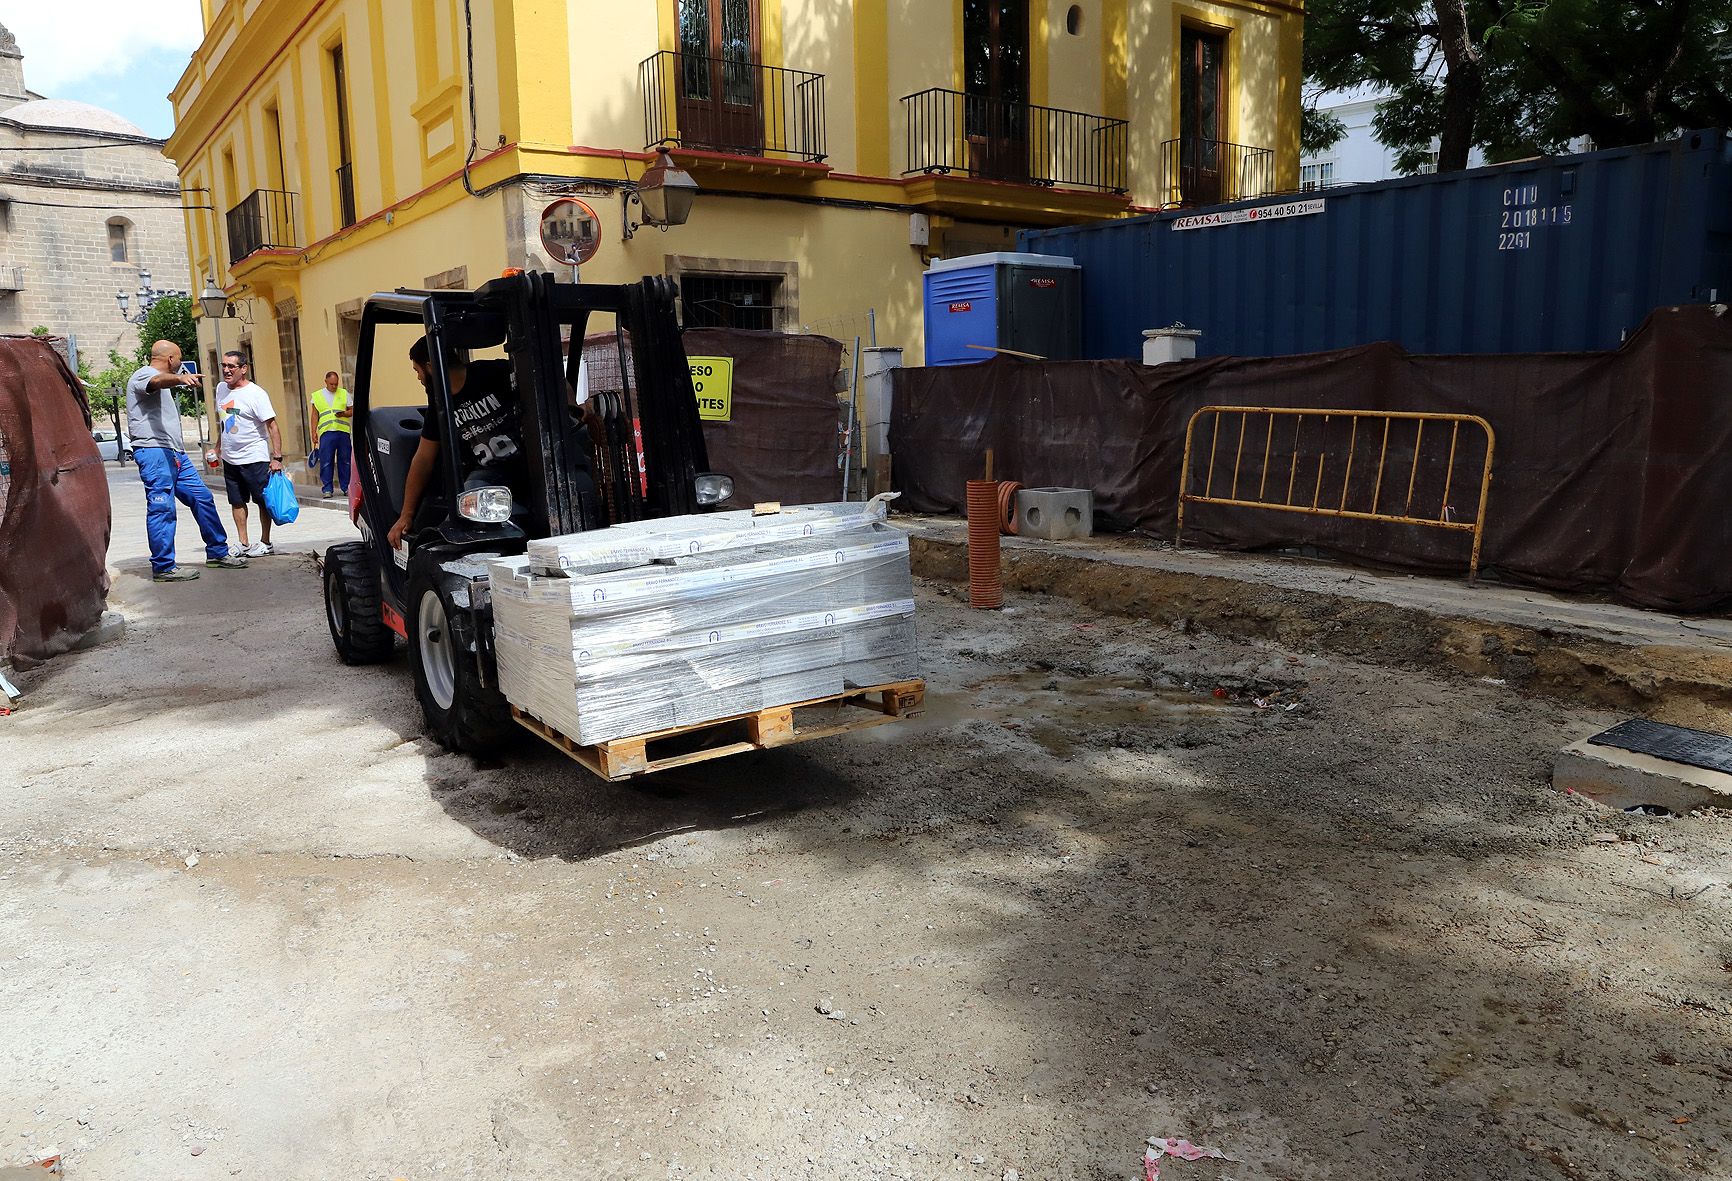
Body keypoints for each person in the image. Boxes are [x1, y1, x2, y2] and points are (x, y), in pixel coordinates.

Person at [125, 340, 249, 582]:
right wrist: (180, 379)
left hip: (175, 453)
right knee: (162, 507)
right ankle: (163, 567)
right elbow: (156, 381)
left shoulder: (160, 381)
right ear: (171, 359)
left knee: (202, 498)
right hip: (154, 452)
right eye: (179, 358)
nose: (180, 363)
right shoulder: (144, 375)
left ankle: (217, 553)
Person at [387, 337, 524, 549]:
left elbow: (550, 381)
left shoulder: (495, 373)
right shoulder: (439, 403)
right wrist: (406, 514)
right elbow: (423, 458)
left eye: (417, 370)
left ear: (430, 367)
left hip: (528, 462)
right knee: (467, 503)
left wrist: (573, 410)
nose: (418, 378)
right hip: (490, 473)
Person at [215, 350, 286, 557]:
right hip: (230, 458)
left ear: (244, 369)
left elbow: (272, 426)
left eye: (231, 366)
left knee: (262, 501)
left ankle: (266, 542)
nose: (226, 370)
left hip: (254, 457)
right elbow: (225, 422)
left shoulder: (256, 394)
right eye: (224, 366)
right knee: (236, 501)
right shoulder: (221, 389)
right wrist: (218, 448)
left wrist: (277, 458)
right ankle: (243, 542)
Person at [310, 369, 352, 498]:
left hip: (343, 432)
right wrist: (313, 432)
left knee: (345, 460)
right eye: (331, 384)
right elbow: (314, 415)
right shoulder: (317, 396)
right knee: (326, 461)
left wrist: (343, 413)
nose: (334, 386)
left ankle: (346, 487)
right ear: (326, 382)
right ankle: (327, 489)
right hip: (326, 432)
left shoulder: (344, 393)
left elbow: (351, 411)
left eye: (336, 384)